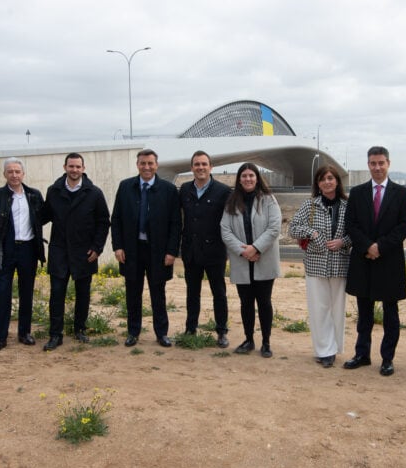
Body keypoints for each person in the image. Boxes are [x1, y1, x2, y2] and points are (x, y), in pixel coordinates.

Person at [343, 146, 406, 376]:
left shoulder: (402, 194)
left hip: (389, 261)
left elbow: (403, 227)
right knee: (364, 313)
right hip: (364, 260)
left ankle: (387, 358)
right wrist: (368, 246)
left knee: (390, 314)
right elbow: (351, 225)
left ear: (388, 164)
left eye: (381, 163)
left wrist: (380, 247)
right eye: (373, 163)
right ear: (368, 165)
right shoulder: (358, 192)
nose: (377, 167)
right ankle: (362, 354)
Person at [110, 149, 181, 348]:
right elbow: (116, 219)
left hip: (158, 252)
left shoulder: (168, 190)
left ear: (156, 165)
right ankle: (133, 332)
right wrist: (118, 247)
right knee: (133, 293)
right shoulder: (125, 187)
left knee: (158, 294)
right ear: (137, 165)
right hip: (132, 250)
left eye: (150, 163)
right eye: (143, 163)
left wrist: (171, 251)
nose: (147, 167)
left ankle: (161, 333)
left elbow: (176, 223)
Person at [41, 152, 110, 349]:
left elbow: (103, 222)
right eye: (71, 166)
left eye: (78, 167)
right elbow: (43, 216)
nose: (74, 170)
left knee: (83, 294)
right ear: (65, 168)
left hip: (85, 253)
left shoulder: (94, 193)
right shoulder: (53, 191)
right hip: (59, 251)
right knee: (56, 293)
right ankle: (55, 334)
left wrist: (97, 248)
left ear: (83, 168)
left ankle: (80, 329)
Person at [0, 158, 45, 352]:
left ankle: (24, 333)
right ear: (4, 175)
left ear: (23, 174)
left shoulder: (34, 195)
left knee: (26, 293)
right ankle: (0, 338)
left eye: (17, 171)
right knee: (3, 294)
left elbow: (43, 217)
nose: (14, 175)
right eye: (10, 172)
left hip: (28, 249)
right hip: (5, 250)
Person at [288, 164, 351, 368]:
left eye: (331, 178)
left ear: (337, 181)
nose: (327, 182)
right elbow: (293, 228)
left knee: (337, 308)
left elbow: (356, 231)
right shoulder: (310, 206)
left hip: (340, 263)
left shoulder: (347, 206)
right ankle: (324, 351)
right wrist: (312, 234)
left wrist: (344, 242)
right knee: (318, 309)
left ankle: (335, 347)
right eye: (323, 179)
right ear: (318, 183)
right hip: (316, 264)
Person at [221, 162, 282, 358]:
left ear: (257, 177)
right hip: (242, 260)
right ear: (239, 179)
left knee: (264, 302)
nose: (248, 179)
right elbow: (225, 230)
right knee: (245, 302)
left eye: (251, 175)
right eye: (244, 176)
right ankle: (248, 339)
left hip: (263, 258)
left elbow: (274, 228)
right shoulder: (231, 202)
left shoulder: (269, 200)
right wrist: (244, 251)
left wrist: (256, 248)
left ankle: (266, 342)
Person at [179, 150, 231, 348]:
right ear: (192, 167)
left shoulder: (223, 191)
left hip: (215, 251)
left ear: (211, 167)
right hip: (191, 251)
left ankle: (221, 331)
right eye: (196, 164)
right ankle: (190, 328)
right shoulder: (184, 189)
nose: (200, 167)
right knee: (192, 292)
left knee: (219, 292)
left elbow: (231, 221)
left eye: (204, 164)